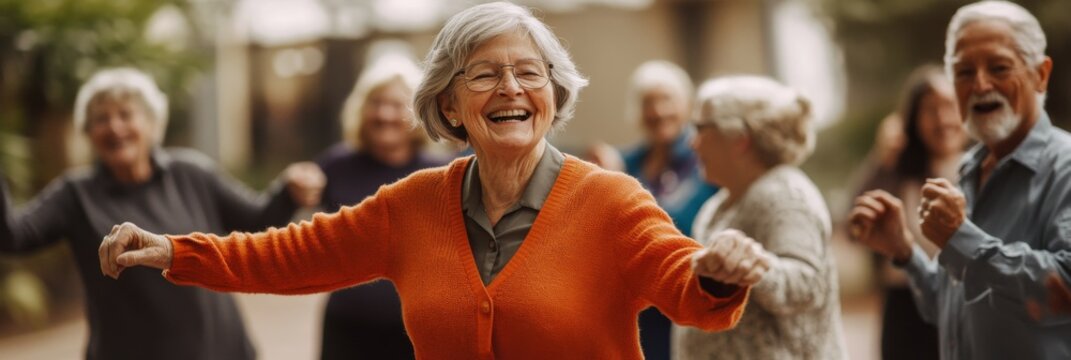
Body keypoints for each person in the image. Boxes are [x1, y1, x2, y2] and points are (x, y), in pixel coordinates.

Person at [96, 2, 774, 358]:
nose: (510, 86)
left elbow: (685, 287)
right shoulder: (414, 205)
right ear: (449, 105)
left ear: (552, 93)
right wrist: (174, 251)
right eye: (484, 73)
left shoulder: (610, 200)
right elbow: (290, 254)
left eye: (529, 71)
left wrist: (717, 273)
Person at [0, 67, 325, 360]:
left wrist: (288, 191)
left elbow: (256, 222)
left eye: (126, 114)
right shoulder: (75, 194)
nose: (114, 126)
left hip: (220, 350)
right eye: (101, 118)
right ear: (88, 132)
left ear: (153, 124)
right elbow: (11, 236)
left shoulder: (191, 172)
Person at [850, 1, 1071, 358]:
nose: (980, 84)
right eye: (964, 72)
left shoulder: (1065, 168)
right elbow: (954, 305)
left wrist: (965, 241)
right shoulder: (969, 168)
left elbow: (1065, 288)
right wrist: (904, 252)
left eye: (999, 67)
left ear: (1041, 74)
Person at [672, 75, 847, 359]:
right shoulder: (719, 203)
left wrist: (756, 266)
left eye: (700, 128)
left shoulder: (784, 195)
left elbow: (807, 285)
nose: (692, 143)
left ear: (739, 139)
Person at [315, 53, 447, 359]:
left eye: (396, 104)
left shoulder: (441, 174)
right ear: (361, 110)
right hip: (346, 330)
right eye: (376, 103)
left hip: (416, 333)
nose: (385, 114)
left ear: (416, 112)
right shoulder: (333, 167)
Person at [588, 61, 720, 360]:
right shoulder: (627, 161)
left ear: (686, 105)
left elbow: (680, 226)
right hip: (641, 311)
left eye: (666, 100)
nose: (658, 111)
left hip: (688, 300)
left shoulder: (705, 159)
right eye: (649, 103)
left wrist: (617, 182)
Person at [852, 65, 966, 360]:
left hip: (964, 303)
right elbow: (853, 223)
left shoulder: (984, 170)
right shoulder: (898, 173)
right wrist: (882, 159)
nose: (943, 120)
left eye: (950, 107)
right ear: (912, 120)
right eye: (931, 110)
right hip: (904, 308)